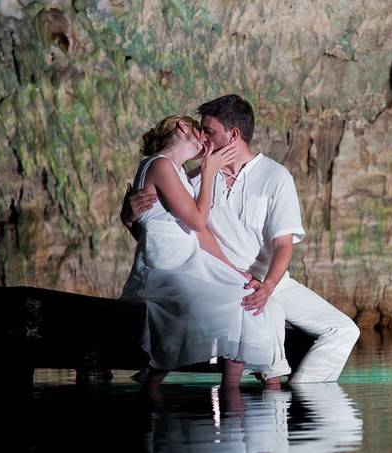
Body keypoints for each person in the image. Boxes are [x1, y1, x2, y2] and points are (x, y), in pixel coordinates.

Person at [123, 95, 359, 384]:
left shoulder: (275, 176)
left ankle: (305, 393)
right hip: (215, 277)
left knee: (344, 329)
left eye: (208, 131)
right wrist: (129, 216)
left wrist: (268, 286)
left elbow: (284, 245)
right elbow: (162, 230)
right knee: (255, 324)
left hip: (268, 279)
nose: (203, 138)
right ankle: (259, 382)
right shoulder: (193, 179)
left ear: (233, 135)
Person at [121, 114, 289, 390]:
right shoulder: (161, 165)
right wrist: (209, 171)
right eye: (200, 130)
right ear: (183, 128)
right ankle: (157, 385)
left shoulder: (177, 172)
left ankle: (238, 388)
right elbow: (198, 221)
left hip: (186, 259)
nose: (206, 140)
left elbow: (198, 234)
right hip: (166, 266)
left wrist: (233, 269)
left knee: (244, 292)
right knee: (231, 303)